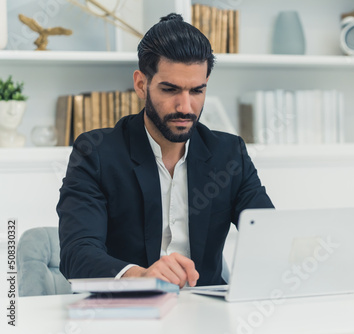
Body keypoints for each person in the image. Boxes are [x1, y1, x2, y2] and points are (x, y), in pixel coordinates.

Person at [57, 13, 274, 287]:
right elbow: (77, 255)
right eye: (170, 90)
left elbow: (270, 235)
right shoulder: (95, 153)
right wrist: (141, 277)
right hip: (126, 312)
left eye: (196, 91)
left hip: (206, 314)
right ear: (141, 84)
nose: (185, 107)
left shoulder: (229, 154)